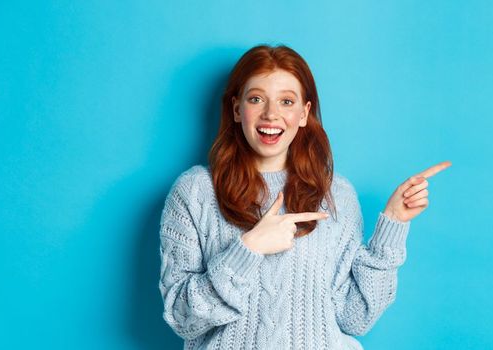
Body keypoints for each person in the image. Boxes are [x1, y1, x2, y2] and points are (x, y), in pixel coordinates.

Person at [158, 44, 450, 349]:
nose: (271, 114)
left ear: (304, 113)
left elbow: (355, 318)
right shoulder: (195, 192)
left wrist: (393, 224)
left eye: (287, 101)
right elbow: (182, 319)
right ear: (236, 108)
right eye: (256, 99)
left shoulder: (336, 194)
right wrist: (249, 248)